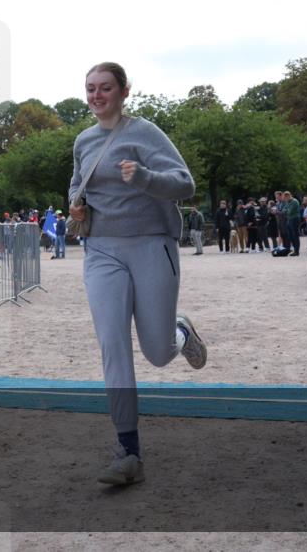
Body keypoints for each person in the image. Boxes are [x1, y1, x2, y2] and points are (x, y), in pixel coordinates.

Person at [69, 62, 207, 486]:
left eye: (105, 88)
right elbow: (78, 184)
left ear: (124, 91)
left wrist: (144, 177)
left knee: (157, 353)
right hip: (102, 251)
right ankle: (128, 450)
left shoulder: (145, 133)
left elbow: (185, 184)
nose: (96, 95)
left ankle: (179, 334)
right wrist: (76, 205)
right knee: (113, 344)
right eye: (90, 88)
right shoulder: (83, 140)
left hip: (151, 244)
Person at [282, 191, 301, 256]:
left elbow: (289, 212)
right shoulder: (287, 202)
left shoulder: (294, 202)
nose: (285, 199)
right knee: (290, 236)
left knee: (295, 235)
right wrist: (286, 210)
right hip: (289, 219)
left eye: (285, 198)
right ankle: (294, 250)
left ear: (288, 196)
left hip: (294, 219)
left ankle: (297, 251)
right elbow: (283, 210)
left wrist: (286, 210)